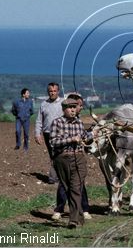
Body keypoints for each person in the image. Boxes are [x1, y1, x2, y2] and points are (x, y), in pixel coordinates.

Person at [50, 98, 94, 228]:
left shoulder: (79, 123)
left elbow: (85, 137)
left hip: (79, 158)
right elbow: (53, 142)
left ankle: (73, 220)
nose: (73, 110)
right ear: (64, 109)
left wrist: (93, 134)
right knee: (68, 188)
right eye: (70, 107)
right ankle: (79, 216)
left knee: (76, 187)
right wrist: (71, 139)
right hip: (62, 159)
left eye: (75, 107)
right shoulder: (57, 123)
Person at [35, 82, 63, 184]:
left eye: (55, 91)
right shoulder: (43, 104)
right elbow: (39, 120)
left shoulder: (63, 103)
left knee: (60, 154)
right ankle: (55, 178)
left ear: (58, 91)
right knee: (52, 155)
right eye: (51, 91)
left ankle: (55, 177)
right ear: (48, 92)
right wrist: (37, 134)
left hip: (60, 133)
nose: (52, 93)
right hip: (47, 133)